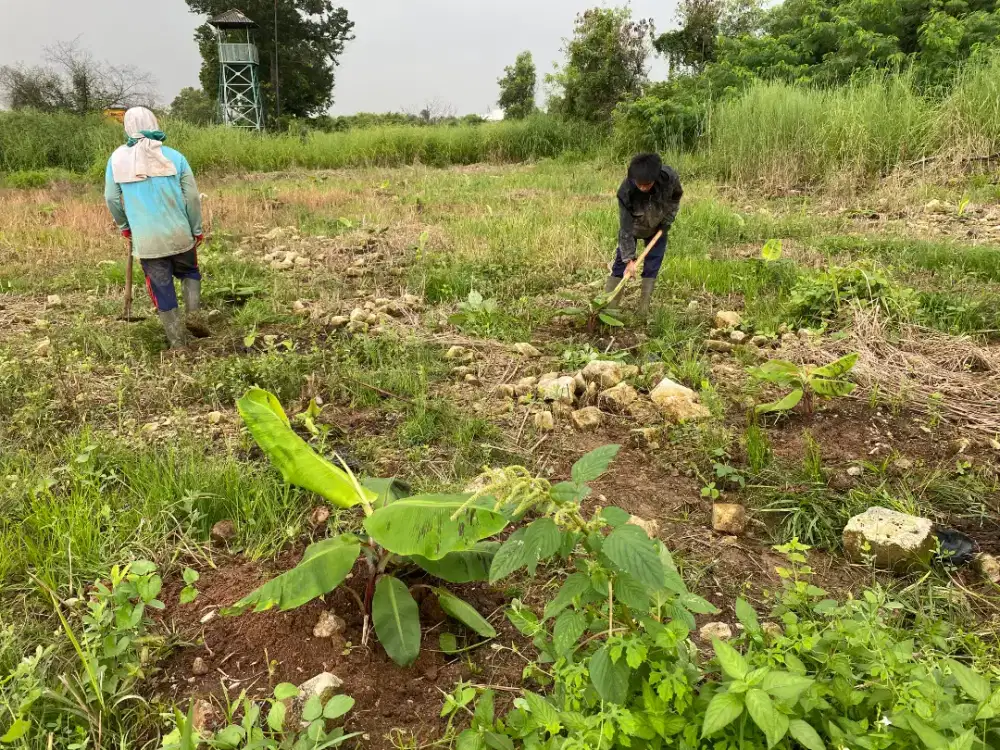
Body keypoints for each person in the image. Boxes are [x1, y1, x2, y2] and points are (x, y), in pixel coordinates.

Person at [104, 107, 204, 349]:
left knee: (161, 286)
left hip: (148, 240)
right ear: (154, 122)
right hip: (180, 232)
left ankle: (177, 344)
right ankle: (194, 315)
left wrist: (125, 226)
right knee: (190, 272)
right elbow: (191, 197)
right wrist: (196, 228)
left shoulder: (116, 160)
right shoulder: (175, 157)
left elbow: (112, 198)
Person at [605, 152, 684, 319]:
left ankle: (643, 309)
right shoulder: (626, 191)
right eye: (639, 184)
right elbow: (625, 227)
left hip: (658, 224)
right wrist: (629, 259)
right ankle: (608, 308)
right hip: (633, 225)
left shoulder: (669, 178)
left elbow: (676, 197)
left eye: (646, 184)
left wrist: (667, 220)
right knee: (620, 264)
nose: (642, 187)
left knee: (653, 263)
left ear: (655, 178)